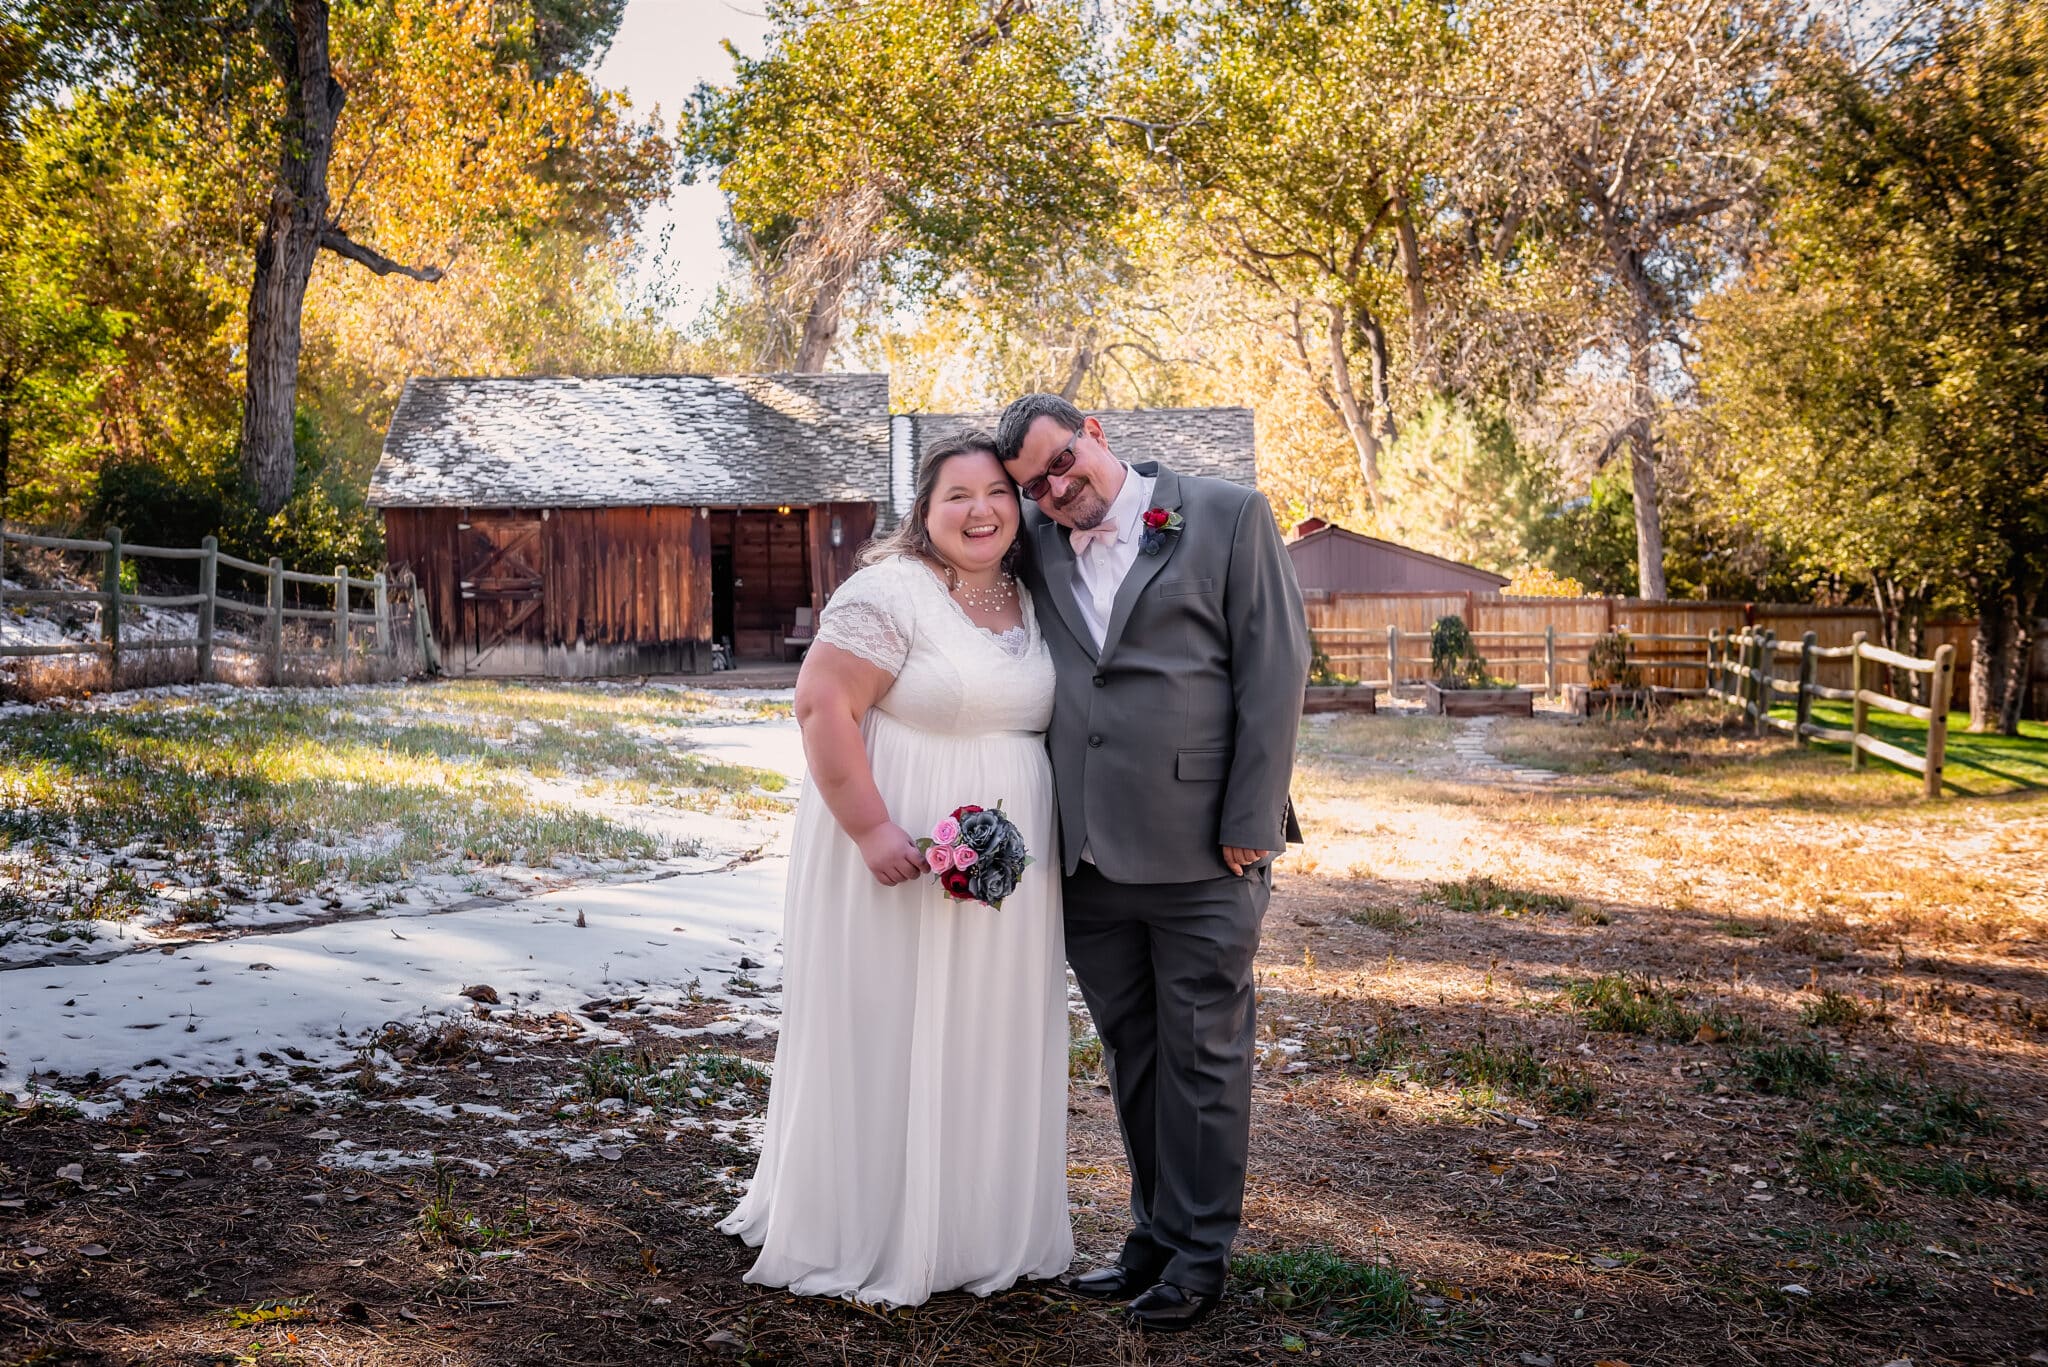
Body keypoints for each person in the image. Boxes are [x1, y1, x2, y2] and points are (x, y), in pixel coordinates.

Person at [718, 432, 1073, 1306]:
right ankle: (870, 1221)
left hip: (1007, 875)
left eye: (998, 491)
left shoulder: (1032, 596)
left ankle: (972, 1223)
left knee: (986, 1028)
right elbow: (822, 702)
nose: (981, 509)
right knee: (893, 1020)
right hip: (898, 851)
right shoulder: (890, 591)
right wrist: (874, 827)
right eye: (958, 494)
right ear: (924, 510)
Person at [996, 394, 1310, 1332]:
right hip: (1088, 856)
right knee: (1135, 1054)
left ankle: (1202, 1254)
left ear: (1094, 434)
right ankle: (1150, 1234)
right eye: (1035, 488)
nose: (1056, 492)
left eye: (1061, 465)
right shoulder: (1037, 547)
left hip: (1208, 846)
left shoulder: (1226, 514)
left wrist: (1252, 819)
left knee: (1203, 1055)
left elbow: (1276, 667)